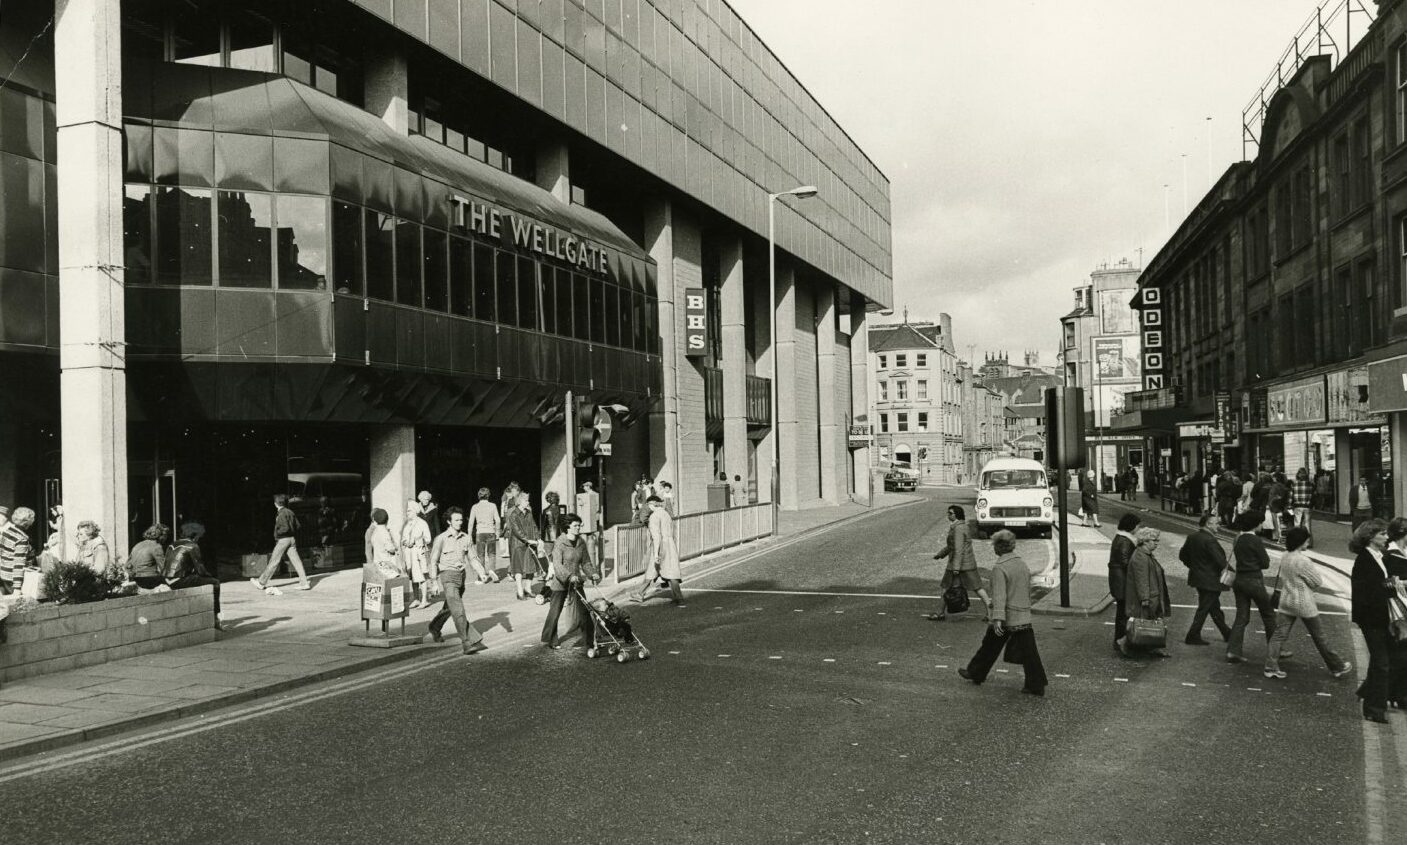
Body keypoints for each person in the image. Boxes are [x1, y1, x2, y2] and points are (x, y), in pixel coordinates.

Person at [957, 530, 1048, 696]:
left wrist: (997, 618)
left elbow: (1000, 595)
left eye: (994, 545)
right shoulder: (1021, 563)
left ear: (999, 547)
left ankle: (976, 672)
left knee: (990, 645)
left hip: (1007, 616)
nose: (993, 549)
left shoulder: (1000, 567)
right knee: (1028, 652)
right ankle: (1036, 684)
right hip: (1023, 613)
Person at [1263, 526, 1351, 681]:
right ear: (1300, 542)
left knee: (1278, 635)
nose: (1308, 542)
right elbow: (1317, 582)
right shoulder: (1303, 561)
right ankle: (1337, 666)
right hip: (1303, 603)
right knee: (1320, 637)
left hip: (1286, 601)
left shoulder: (1285, 556)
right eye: (1307, 540)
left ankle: (1270, 667)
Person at [1351, 519, 1397, 723]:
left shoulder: (1380, 556)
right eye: (1383, 534)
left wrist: (1393, 588)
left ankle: (1369, 699)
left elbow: (1384, 582)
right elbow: (1363, 593)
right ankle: (1375, 709)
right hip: (1372, 618)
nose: (1387, 537)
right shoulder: (1363, 560)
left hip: (1381, 616)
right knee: (1382, 663)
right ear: (1370, 537)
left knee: (1381, 661)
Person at [426, 507, 487, 655]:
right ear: (449, 522)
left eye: (461, 520)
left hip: (461, 577)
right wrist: (433, 582)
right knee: (458, 610)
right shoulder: (441, 539)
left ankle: (434, 627)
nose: (460, 522)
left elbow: (472, 558)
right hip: (447, 576)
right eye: (456, 520)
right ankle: (468, 642)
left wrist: (482, 572)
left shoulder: (466, 537)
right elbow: (433, 561)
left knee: (451, 607)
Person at [541, 513, 600, 649]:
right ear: (567, 527)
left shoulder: (581, 542)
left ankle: (590, 641)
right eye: (575, 526)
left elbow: (585, 562)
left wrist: (593, 574)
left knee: (584, 611)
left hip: (576, 581)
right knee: (555, 612)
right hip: (561, 582)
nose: (578, 528)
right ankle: (551, 639)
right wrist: (568, 576)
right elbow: (557, 564)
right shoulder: (560, 543)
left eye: (579, 525)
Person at [1226, 512, 1278, 664]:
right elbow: (1265, 563)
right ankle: (1277, 650)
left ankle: (1233, 651)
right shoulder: (1255, 540)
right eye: (1260, 523)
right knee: (1268, 614)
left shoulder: (1238, 539)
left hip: (1239, 581)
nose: (1262, 525)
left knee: (1241, 617)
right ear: (1255, 524)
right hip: (1254, 580)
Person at [929, 504, 991, 621]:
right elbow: (952, 546)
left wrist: (956, 568)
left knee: (946, 587)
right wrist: (941, 554)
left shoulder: (958, 528)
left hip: (958, 565)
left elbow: (958, 549)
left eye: (950, 513)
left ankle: (940, 613)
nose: (948, 515)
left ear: (956, 515)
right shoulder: (960, 526)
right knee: (977, 588)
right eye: (948, 513)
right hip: (966, 563)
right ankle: (990, 613)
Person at [1179, 513, 1231, 645]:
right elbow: (1220, 561)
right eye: (1216, 523)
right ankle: (1192, 635)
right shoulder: (1210, 540)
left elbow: (1183, 555)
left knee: (1214, 607)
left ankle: (1227, 633)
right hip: (1211, 580)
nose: (1218, 525)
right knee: (1205, 607)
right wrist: (1234, 573)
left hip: (1199, 578)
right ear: (1208, 524)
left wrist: (1194, 566)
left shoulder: (1192, 537)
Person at [1124, 527, 1172, 658]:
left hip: (1153, 595)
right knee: (1142, 624)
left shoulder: (1146, 554)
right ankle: (1128, 646)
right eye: (1154, 540)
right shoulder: (1141, 557)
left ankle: (1147, 647)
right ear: (1144, 541)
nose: (1157, 543)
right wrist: (1145, 598)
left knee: (1147, 624)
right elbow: (1141, 579)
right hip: (1147, 598)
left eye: (1157, 540)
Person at [164, 523, 222, 628]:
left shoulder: (172, 544)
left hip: (167, 579)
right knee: (215, 582)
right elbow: (200, 569)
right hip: (179, 579)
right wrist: (210, 576)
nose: (199, 539)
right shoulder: (192, 546)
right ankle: (215, 616)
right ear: (195, 535)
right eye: (199, 536)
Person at [252, 493, 311, 592]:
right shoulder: (290, 512)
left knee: (274, 561)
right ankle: (304, 583)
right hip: (292, 539)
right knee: (297, 562)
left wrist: (277, 533)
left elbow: (285, 528)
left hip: (283, 540)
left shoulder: (281, 513)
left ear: (275, 504)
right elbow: (298, 526)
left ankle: (261, 582)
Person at [632, 496, 684, 605]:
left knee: (652, 569)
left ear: (652, 504)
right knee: (670, 571)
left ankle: (640, 594)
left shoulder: (654, 517)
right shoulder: (666, 514)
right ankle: (678, 597)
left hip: (660, 545)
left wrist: (656, 554)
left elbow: (656, 537)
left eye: (648, 505)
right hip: (670, 544)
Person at [1382, 518, 1407, 710]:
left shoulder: (1399, 553)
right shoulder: (1391, 556)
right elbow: (1388, 583)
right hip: (1397, 610)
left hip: (1401, 608)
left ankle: (1393, 693)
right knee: (1400, 652)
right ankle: (1396, 694)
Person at [1109, 513, 1140, 655]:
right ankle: (1121, 641)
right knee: (1123, 614)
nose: (1138, 529)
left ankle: (1119, 640)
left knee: (1122, 613)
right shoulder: (1125, 541)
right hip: (1122, 582)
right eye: (1137, 526)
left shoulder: (1122, 538)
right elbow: (1126, 563)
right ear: (1131, 526)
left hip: (1118, 581)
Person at [506, 491, 544, 600]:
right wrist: (528, 540)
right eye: (526, 500)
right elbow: (517, 531)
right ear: (520, 501)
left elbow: (534, 526)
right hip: (518, 545)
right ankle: (519, 591)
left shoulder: (529, 513)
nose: (528, 502)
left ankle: (528, 589)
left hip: (530, 544)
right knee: (518, 568)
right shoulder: (513, 515)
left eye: (528, 500)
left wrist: (538, 538)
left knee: (531, 567)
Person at [401, 500, 432, 608]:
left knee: (421, 576)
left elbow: (428, 539)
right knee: (413, 577)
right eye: (407, 511)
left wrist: (417, 540)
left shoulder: (422, 523)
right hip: (409, 554)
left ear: (415, 511)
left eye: (409, 511)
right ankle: (416, 599)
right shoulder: (407, 524)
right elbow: (403, 538)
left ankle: (424, 599)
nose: (407, 513)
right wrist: (405, 542)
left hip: (419, 554)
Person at [467, 487, 502, 583]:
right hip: (491, 532)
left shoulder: (475, 507)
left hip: (480, 533)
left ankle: (481, 576)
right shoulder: (493, 506)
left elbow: (471, 522)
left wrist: (469, 535)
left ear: (479, 496)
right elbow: (498, 520)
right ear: (488, 495)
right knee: (492, 554)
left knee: (480, 555)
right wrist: (498, 532)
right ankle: (492, 570)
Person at [129, 524, 170, 592]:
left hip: (137, 579)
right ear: (161, 535)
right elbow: (164, 568)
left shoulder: (138, 545)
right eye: (166, 535)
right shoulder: (156, 546)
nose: (167, 538)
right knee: (174, 584)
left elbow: (127, 566)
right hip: (150, 579)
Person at [575, 480, 602, 567]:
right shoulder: (586, 495)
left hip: (590, 518)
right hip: (587, 519)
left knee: (589, 539)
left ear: (588, 486)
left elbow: (597, 506)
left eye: (584, 486)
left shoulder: (594, 495)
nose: (583, 488)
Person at [367, 508, 399, 580]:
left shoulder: (375, 532)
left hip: (377, 561)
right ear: (387, 520)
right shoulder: (385, 532)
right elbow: (390, 548)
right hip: (386, 563)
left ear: (374, 520)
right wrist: (395, 548)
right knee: (391, 583)